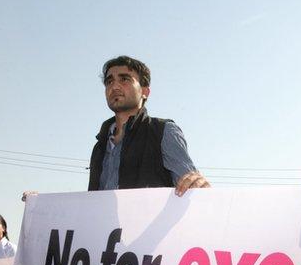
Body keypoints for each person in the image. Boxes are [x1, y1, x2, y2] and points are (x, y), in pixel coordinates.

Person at [89, 55, 210, 195]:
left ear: (145, 92)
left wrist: (196, 184)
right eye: (109, 81)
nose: (114, 86)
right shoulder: (100, 146)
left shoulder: (163, 131)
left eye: (124, 79)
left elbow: (189, 186)